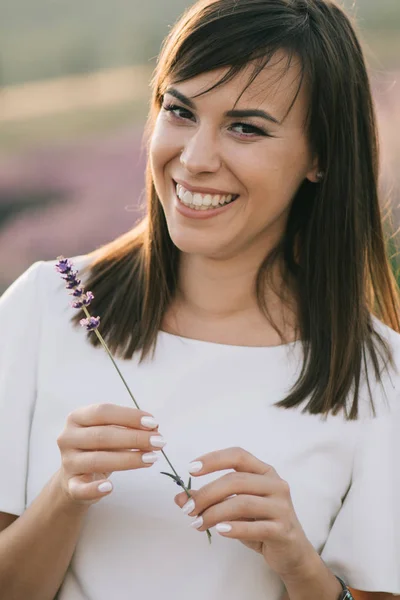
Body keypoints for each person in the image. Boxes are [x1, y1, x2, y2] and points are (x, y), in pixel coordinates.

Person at [0, 0, 399, 598]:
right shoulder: (44, 307)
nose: (195, 159)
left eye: (245, 127)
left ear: (320, 155)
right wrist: (64, 493)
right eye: (180, 112)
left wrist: (299, 564)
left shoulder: (379, 375)